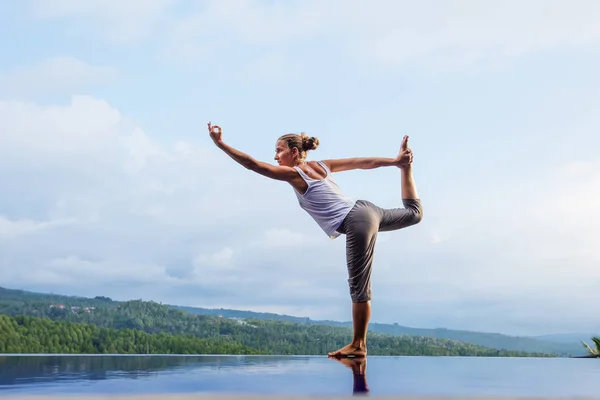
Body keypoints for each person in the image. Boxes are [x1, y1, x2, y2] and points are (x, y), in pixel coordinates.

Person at [207, 122, 423, 358]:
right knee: (414, 213)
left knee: (359, 286)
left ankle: (359, 345)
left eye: (279, 150)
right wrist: (396, 162)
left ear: (294, 152)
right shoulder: (323, 165)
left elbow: (252, 164)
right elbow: (362, 162)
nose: (275, 156)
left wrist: (220, 144)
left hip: (355, 220)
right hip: (367, 210)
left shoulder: (294, 174)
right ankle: (406, 169)